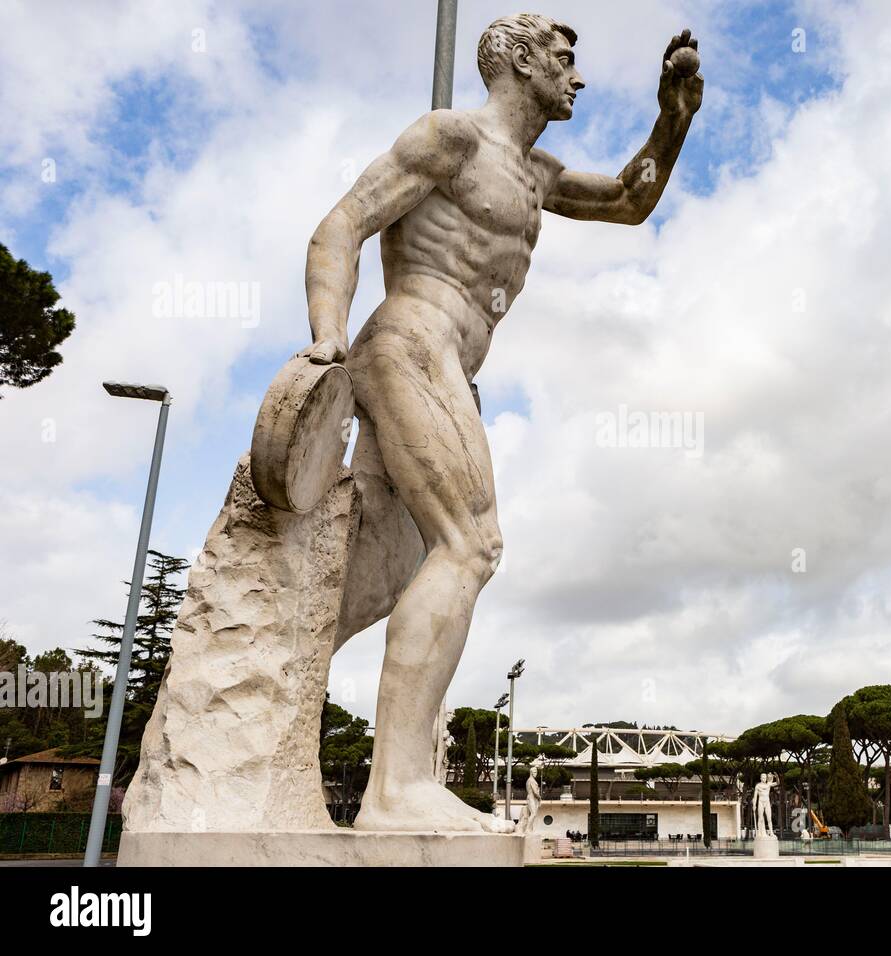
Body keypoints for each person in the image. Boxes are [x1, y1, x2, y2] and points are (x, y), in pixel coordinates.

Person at [305, 14, 703, 832]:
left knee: (371, 582)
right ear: (518, 62)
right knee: (472, 546)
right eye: (564, 60)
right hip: (409, 343)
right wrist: (324, 346)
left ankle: (276, 696)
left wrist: (674, 119)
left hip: (451, 372)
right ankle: (396, 791)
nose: (578, 78)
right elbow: (341, 224)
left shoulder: (536, 175)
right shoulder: (449, 139)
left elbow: (631, 200)